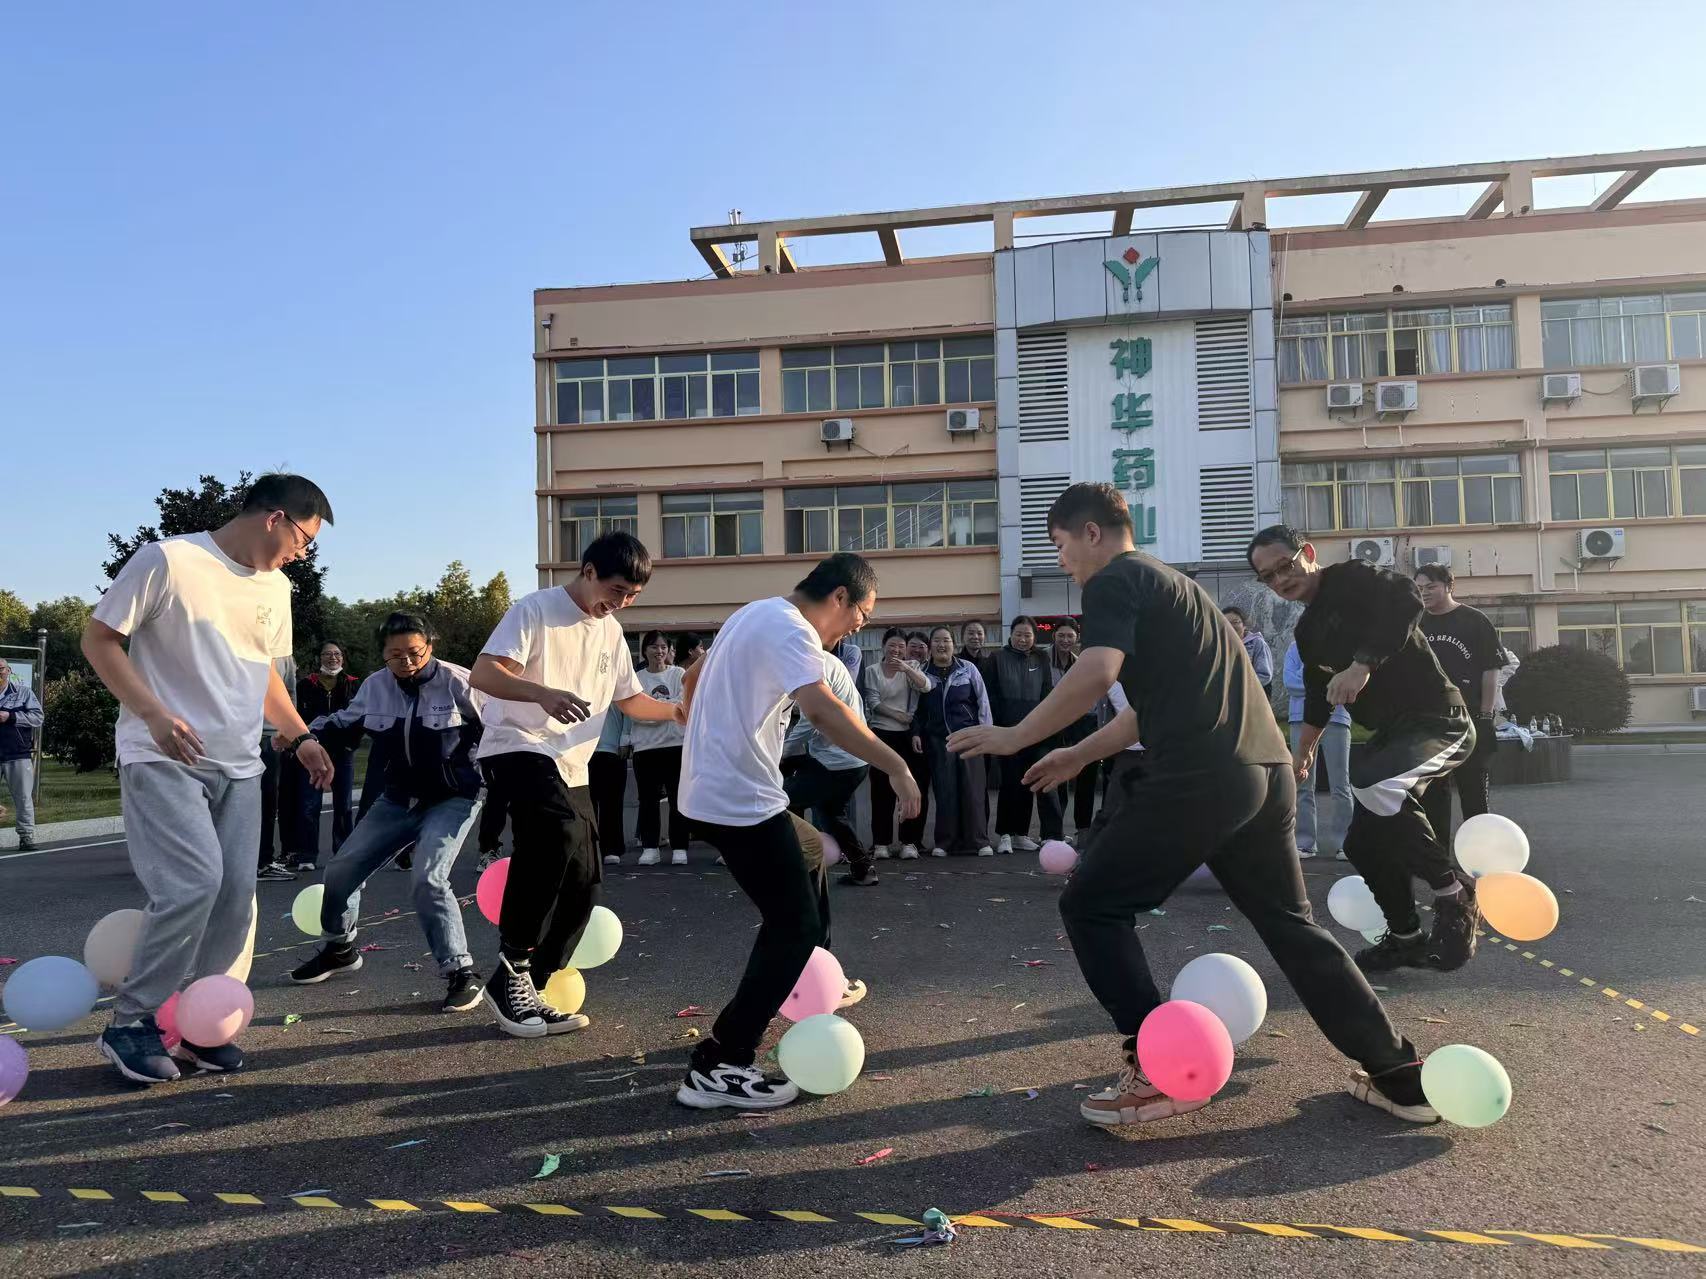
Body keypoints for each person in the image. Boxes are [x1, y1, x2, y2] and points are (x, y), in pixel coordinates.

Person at [951, 483, 1439, 1127]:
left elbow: (1096, 671)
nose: (1063, 560)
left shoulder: (1113, 580)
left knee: (1092, 903)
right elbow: (1145, 712)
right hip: (1263, 773)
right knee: (1295, 929)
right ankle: (1401, 1076)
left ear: (1091, 532)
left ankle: (1159, 1069)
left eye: (1061, 545)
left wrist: (1015, 735)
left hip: (1202, 776)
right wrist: (1078, 755)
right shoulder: (1177, 588)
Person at [82, 473, 336, 1084]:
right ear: (275, 517)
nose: (303, 555)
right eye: (305, 539)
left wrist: (299, 736)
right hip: (163, 753)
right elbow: (98, 639)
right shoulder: (168, 560)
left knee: (233, 902)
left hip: (242, 763)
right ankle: (130, 1022)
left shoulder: (276, 589)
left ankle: (200, 1024)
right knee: (193, 883)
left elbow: (265, 674)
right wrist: (152, 712)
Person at [673, 552, 919, 1110]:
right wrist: (896, 766)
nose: (861, 626)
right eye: (863, 614)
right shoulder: (792, 630)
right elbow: (825, 711)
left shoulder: (754, 613)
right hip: (740, 800)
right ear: (839, 598)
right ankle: (722, 1061)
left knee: (809, 848)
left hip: (716, 792)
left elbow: (694, 671)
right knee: (794, 928)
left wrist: (692, 717)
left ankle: (803, 971)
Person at [471, 532, 684, 1039]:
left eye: (632, 596)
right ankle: (512, 966)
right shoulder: (535, 610)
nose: (621, 603)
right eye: (616, 589)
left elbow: (631, 701)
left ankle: (530, 983)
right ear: (587, 571)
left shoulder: (611, 632)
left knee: (586, 881)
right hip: (517, 744)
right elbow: (484, 673)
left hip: (573, 763)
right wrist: (539, 693)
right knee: (558, 835)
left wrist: (679, 712)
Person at [1249, 526, 1479, 974]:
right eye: (1268, 577)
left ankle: (1454, 894)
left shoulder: (1354, 578)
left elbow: (1408, 599)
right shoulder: (1307, 630)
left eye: (1285, 566)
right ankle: (1406, 937)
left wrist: (1361, 664)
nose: (1281, 580)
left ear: (1308, 553)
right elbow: (1318, 696)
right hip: (1394, 733)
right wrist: (1304, 753)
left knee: (1375, 781)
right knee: (1363, 842)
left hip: (1439, 720)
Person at [290, 613, 486, 1012]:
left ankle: (460, 971)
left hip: (453, 798)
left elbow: (499, 729)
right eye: (395, 656)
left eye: (415, 653)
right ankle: (339, 948)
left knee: (429, 878)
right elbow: (343, 724)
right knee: (341, 869)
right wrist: (301, 734)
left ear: (430, 644)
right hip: (397, 799)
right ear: (382, 655)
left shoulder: (458, 681)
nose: (407, 663)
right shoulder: (375, 686)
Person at [1414, 564, 1502, 848]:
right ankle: (1438, 857)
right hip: (1429, 722)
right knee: (1433, 794)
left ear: (1449, 586)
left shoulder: (1473, 621)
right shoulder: (1416, 622)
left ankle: (1480, 853)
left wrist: (1486, 715)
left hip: (1470, 720)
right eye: (1419, 588)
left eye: (1430, 587)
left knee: (1473, 790)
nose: (1424, 593)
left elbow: (1491, 671)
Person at [786, 648, 876, 885]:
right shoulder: (827, 662)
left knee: (784, 801)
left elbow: (811, 720)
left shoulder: (813, 667)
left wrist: (781, 750)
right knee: (832, 814)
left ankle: (796, 868)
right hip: (851, 758)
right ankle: (863, 869)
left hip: (837, 761)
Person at [911, 625, 994, 857]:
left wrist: (986, 734)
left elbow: (982, 702)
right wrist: (916, 732)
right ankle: (945, 842)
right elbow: (915, 708)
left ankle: (979, 841)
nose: (941, 644)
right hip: (937, 739)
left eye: (946, 640)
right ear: (930, 646)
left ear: (954, 644)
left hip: (968, 735)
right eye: (937, 640)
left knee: (973, 789)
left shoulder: (967, 669)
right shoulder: (923, 672)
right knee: (945, 790)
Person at [989, 616, 1060, 853]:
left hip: (1036, 732)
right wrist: (999, 729)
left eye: (1027, 635)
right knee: (1010, 782)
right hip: (1007, 732)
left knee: (1032, 781)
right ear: (1011, 635)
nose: (1023, 639)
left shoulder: (1041, 658)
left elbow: (1047, 694)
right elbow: (991, 696)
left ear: (1034, 637)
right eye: (1018, 634)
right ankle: (1005, 835)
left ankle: (1021, 834)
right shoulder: (997, 658)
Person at [859, 627, 931, 860]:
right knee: (881, 790)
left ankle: (908, 841)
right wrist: (896, 715)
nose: (897, 650)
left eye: (901, 646)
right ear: (884, 646)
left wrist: (907, 668)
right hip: (880, 734)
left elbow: (926, 686)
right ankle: (881, 842)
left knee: (911, 787)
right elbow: (872, 700)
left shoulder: (912, 667)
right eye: (892, 645)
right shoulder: (872, 670)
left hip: (907, 736)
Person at [289, 641, 359, 871]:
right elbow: (296, 715)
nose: (333, 658)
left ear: (343, 657)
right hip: (312, 752)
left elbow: (360, 717)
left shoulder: (352, 685)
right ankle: (306, 855)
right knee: (309, 804)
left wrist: (351, 744)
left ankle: (343, 853)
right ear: (320, 657)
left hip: (342, 752)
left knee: (344, 805)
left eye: (337, 654)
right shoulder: (306, 685)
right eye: (327, 654)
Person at [1283, 641, 1351, 860]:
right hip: (1299, 719)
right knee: (1302, 781)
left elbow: (1345, 682)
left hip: (1337, 718)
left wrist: (1319, 683)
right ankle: (1305, 842)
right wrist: (1323, 683)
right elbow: (1289, 683)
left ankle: (1345, 843)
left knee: (1340, 784)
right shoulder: (1294, 648)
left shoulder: (1340, 645)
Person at [631, 629, 690, 866]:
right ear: (645, 650)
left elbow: (683, 706)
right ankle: (650, 847)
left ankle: (680, 848)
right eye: (654, 647)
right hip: (646, 749)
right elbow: (637, 713)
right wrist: (667, 709)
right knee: (647, 801)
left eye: (664, 647)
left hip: (676, 745)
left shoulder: (679, 674)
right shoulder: (638, 678)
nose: (659, 651)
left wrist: (654, 709)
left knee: (678, 799)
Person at [1047, 620, 1099, 839]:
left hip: (1084, 724)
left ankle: (1083, 829)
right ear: (1054, 636)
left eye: (1070, 636)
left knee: (1085, 778)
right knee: (1056, 779)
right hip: (1053, 726)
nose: (1065, 640)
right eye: (1061, 635)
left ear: (1077, 638)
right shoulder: (1042, 660)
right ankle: (1053, 832)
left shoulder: (1080, 663)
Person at [256, 653, 302, 881]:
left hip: (271, 738)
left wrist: (289, 730)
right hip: (241, 734)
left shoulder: (285, 657)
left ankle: (263, 861)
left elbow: (289, 694)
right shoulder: (243, 644)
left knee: (268, 801)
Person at [0, 658, 44, 852]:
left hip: (17, 753)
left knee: (23, 798)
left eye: (0, 669)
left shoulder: (23, 693)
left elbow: (38, 717)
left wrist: (11, 717)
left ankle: (26, 836)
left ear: (8, 670)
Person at [585, 695, 629, 867]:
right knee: (586, 805)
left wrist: (625, 737)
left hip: (612, 748)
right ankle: (589, 848)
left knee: (612, 802)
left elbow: (628, 708)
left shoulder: (614, 674)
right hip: (582, 750)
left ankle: (611, 848)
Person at [1223, 606, 1274, 698]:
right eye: (1225, 623)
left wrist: (1237, 687)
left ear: (1244, 625)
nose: (1230, 626)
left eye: (1235, 622)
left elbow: (1264, 675)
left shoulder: (1257, 643)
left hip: (1252, 699)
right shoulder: (1218, 646)